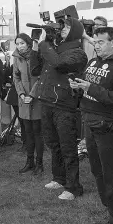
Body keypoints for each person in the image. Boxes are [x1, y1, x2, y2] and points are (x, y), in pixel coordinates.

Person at [70, 27, 113, 224]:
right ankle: (109, 205)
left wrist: (90, 88)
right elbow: (87, 90)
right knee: (97, 169)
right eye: (95, 43)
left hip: (109, 126)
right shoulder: (92, 62)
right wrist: (78, 88)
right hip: (90, 122)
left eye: (101, 42)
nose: (96, 46)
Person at [33, 17, 88, 200]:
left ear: (76, 31)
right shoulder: (54, 48)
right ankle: (59, 177)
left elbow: (60, 64)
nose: (63, 29)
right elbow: (35, 70)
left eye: (67, 27)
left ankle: (73, 187)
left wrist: (44, 44)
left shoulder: (78, 53)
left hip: (64, 105)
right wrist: (39, 44)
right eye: (61, 27)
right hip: (47, 101)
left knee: (67, 147)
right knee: (53, 144)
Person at [12, 33, 43, 174]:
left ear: (28, 44)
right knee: (28, 132)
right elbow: (16, 77)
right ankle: (29, 161)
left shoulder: (37, 55)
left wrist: (32, 94)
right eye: (17, 44)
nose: (19, 46)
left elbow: (42, 77)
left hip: (37, 99)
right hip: (23, 100)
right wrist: (21, 94)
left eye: (22, 43)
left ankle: (39, 163)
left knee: (38, 132)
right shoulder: (16, 58)